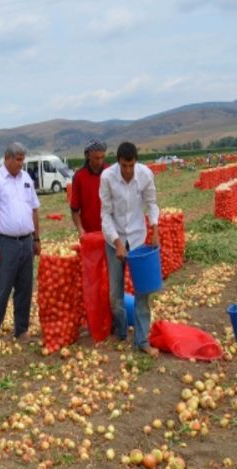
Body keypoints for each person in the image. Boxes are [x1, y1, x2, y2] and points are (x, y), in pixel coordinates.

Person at [100, 142, 160, 356]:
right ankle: (122, 332)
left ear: (136, 162)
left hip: (138, 239)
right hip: (114, 239)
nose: (127, 170)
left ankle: (142, 341)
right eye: (124, 166)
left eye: (131, 165)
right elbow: (105, 214)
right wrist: (116, 242)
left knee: (142, 293)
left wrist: (154, 228)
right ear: (118, 163)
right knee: (115, 296)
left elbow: (152, 203)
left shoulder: (145, 175)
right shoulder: (107, 178)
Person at [0, 142, 41, 349]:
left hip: (26, 240)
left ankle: (21, 330)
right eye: (18, 159)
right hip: (5, 242)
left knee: (25, 287)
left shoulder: (26, 179)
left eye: (23, 159)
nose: (21, 164)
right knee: (1, 288)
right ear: (7, 158)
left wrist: (37, 238)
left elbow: (34, 209)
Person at [70, 139, 108, 236]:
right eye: (96, 158)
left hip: (111, 231)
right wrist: (80, 228)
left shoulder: (110, 172)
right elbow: (74, 209)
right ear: (88, 156)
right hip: (89, 233)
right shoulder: (79, 177)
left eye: (102, 157)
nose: (100, 162)